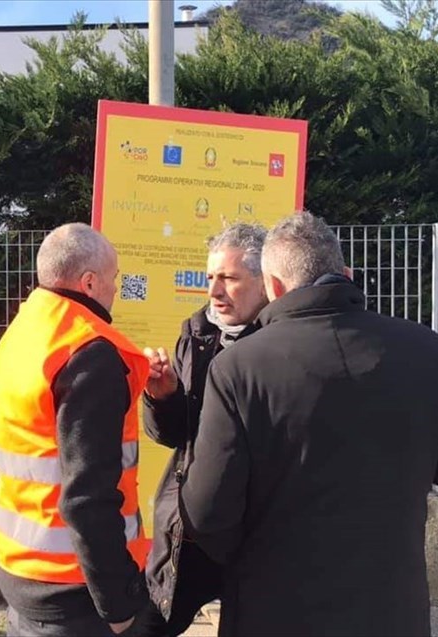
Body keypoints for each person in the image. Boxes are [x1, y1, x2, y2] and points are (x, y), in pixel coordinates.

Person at [179, 212, 438, 637]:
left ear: (272, 286)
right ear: (347, 274)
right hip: (392, 608)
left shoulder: (240, 366)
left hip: (273, 607)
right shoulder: (426, 350)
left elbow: (208, 512)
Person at [0, 223, 151, 637]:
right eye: (114, 278)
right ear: (90, 282)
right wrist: (119, 607)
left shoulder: (24, 332)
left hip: (21, 571)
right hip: (78, 591)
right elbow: (87, 498)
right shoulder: (90, 354)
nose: (116, 289)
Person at [142, 224, 268, 636]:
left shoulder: (282, 344)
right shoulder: (196, 333)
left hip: (254, 532)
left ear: (265, 281)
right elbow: (175, 434)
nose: (215, 291)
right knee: (153, 625)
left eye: (229, 278)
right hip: (192, 527)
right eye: (210, 277)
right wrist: (163, 397)